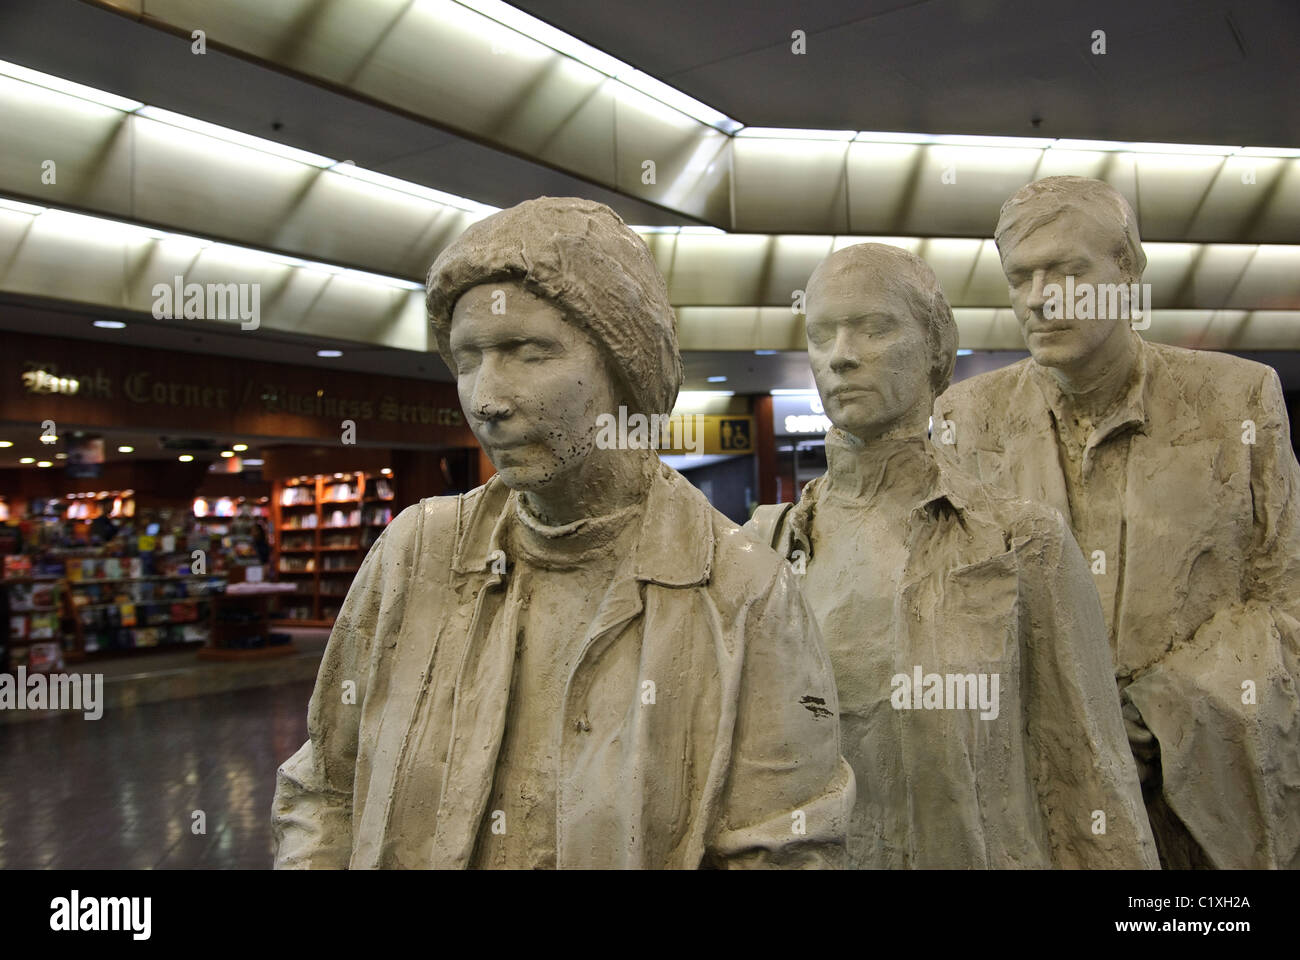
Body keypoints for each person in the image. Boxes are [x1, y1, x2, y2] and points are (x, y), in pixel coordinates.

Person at [272, 197, 852, 869]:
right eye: (468, 359)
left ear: (622, 363)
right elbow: (323, 791)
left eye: (526, 352)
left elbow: (785, 848)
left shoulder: (743, 590)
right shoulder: (415, 554)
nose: (487, 398)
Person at [745, 242, 1157, 868]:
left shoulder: (1021, 543)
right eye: (821, 335)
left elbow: (1087, 773)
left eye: (875, 328)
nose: (842, 356)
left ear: (937, 347)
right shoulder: (765, 547)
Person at [934, 176, 1300, 868]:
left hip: (1198, 806)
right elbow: (948, 612)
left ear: (1127, 270)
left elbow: (1287, 601)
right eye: (1020, 277)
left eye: (1068, 270)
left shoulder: (1235, 402)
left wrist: (1157, 714)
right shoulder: (965, 421)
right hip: (1038, 810)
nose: (1039, 297)